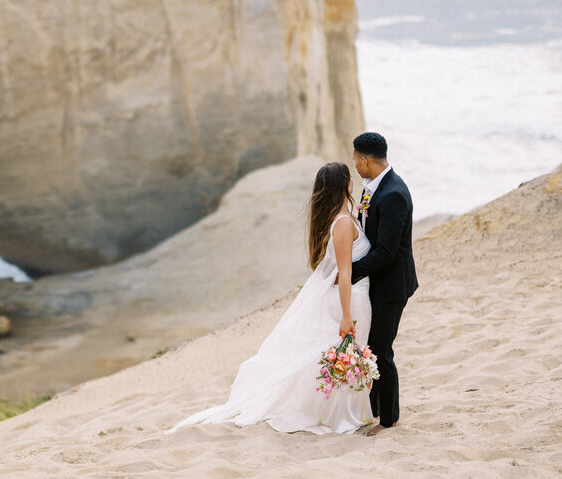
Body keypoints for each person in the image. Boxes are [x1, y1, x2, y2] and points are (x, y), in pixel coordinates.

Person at [166, 161, 374, 435]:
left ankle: (338, 412)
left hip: (345, 296)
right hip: (352, 298)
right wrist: (347, 315)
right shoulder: (344, 223)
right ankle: (341, 417)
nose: (353, 181)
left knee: (339, 355)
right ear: (344, 185)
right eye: (349, 178)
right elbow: (345, 272)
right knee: (348, 352)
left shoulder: (339, 218)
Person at [350, 131, 417, 436]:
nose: (354, 165)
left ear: (364, 160)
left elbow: (386, 252)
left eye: (355, 160)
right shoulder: (375, 187)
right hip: (377, 282)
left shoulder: (392, 194)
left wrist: (351, 272)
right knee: (374, 348)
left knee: (381, 350)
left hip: (391, 286)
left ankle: (389, 420)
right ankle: (375, 410)